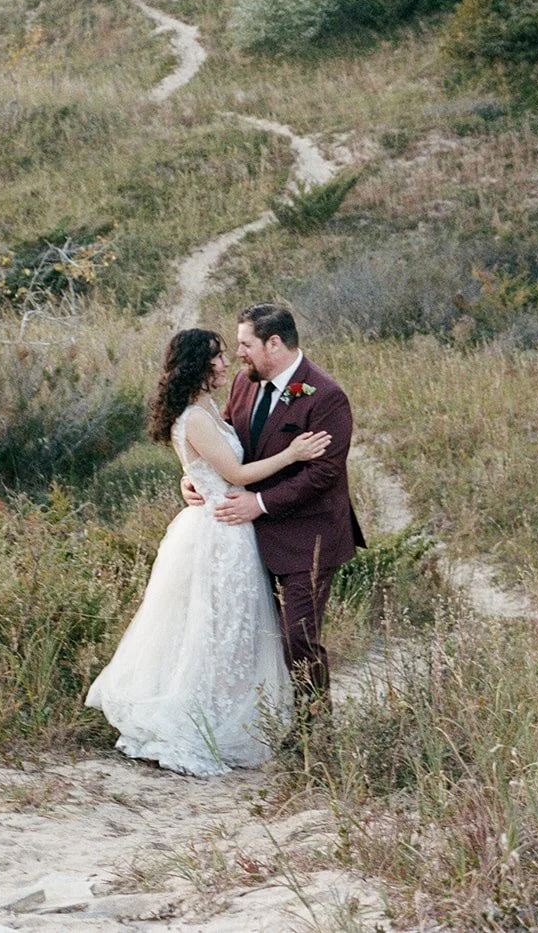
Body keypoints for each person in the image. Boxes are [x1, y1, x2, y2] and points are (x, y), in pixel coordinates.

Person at [86, 328, 331, 775]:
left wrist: (193, 477)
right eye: (218, 357)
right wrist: (293, 454)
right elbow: (235, 473)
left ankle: (225, 717)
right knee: (213, 630)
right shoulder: (195, 416)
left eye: (230, 353)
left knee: (227, 631)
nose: (227, 363)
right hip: (217, 534)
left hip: (229, 530)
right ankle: (201, 722)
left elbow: (211, 462)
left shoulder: (208, 407)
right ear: (198, 366)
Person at [185, 303, 365, 721]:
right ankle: (263, 721)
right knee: (252, 636)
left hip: (309, 537)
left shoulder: (326, 396)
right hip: (249, 537)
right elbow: (223, 440)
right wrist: (193, 479)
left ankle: (313, 730)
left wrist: (259, 502)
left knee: (297, 637)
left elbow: (323, 473)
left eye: (246, 345)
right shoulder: (245, 386)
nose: (239, 354)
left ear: (274, 342)